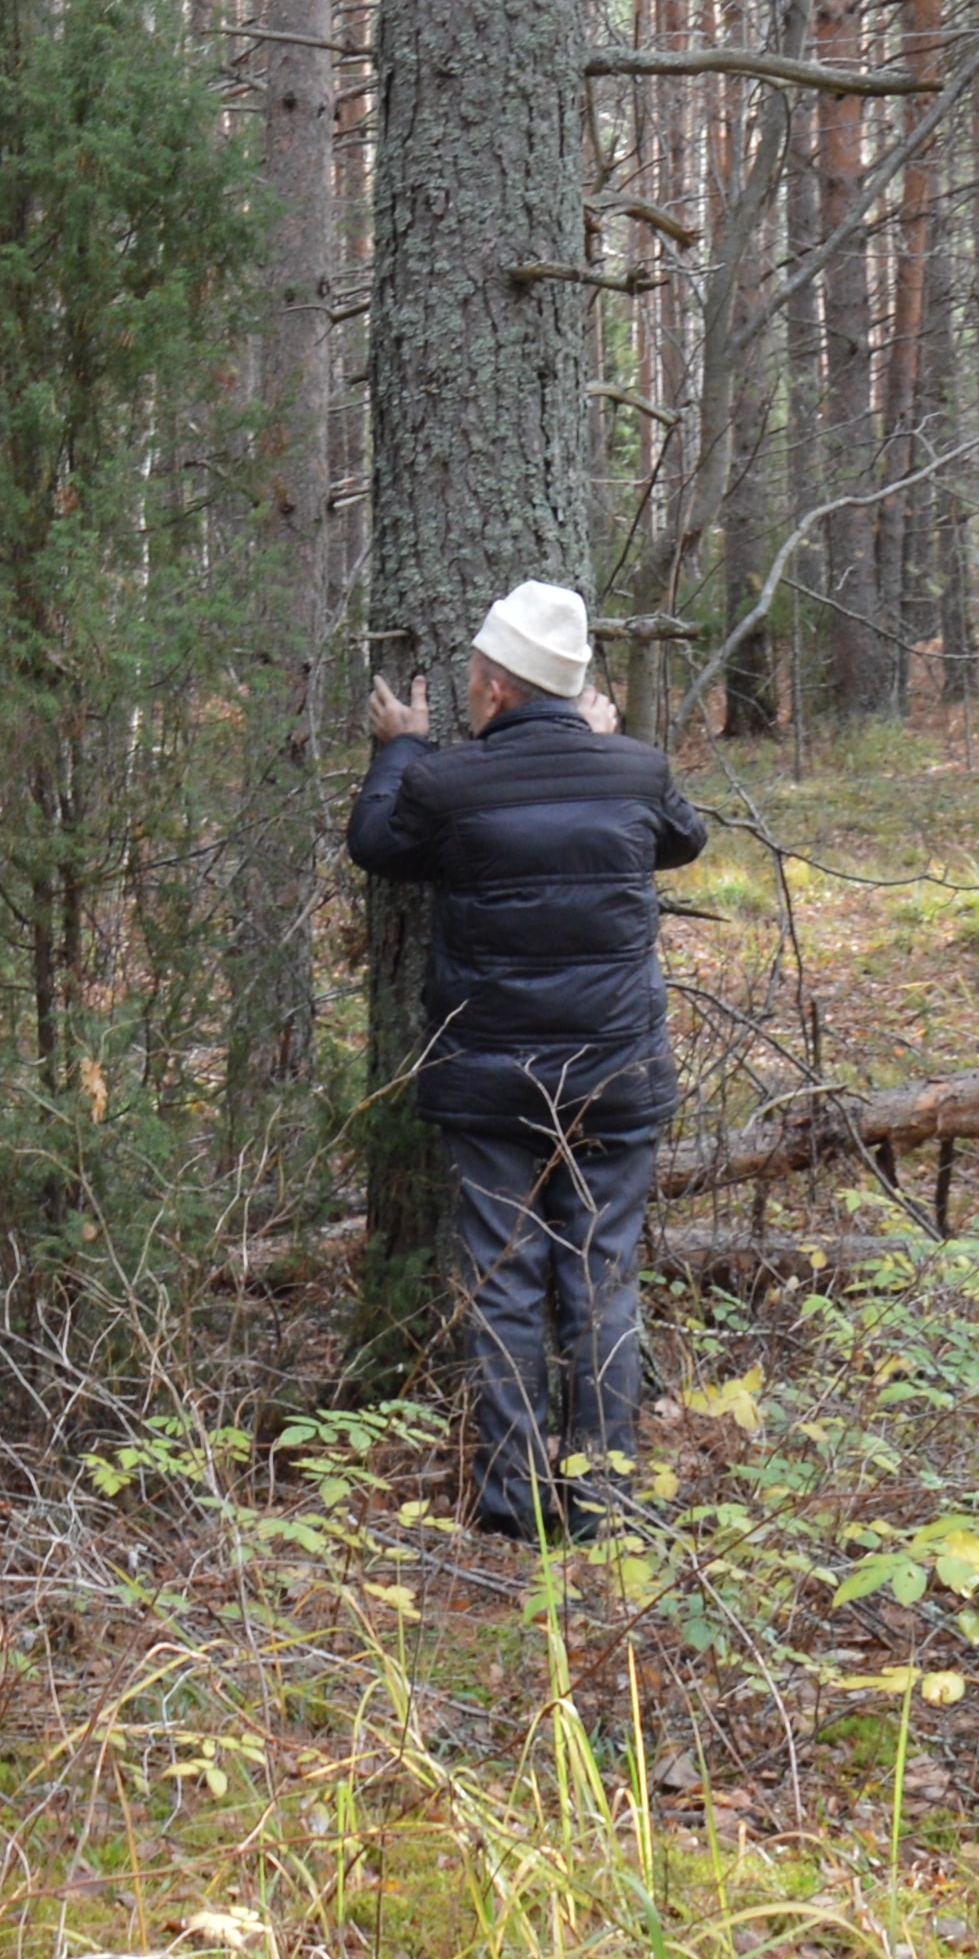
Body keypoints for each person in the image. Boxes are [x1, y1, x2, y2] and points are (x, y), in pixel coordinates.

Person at [342, 579, 709, 1542]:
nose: (467, 691)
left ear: (497, 691)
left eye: (471, 679)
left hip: (494, 1084)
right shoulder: (634, 770)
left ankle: (512, 1505)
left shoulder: (445, 787)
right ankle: (604, 1500)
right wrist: (599, 751)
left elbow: (377, 845)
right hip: (617, 1080)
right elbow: (685, 840)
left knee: (507, 1281)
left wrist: (399, 749)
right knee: (602, 1279)